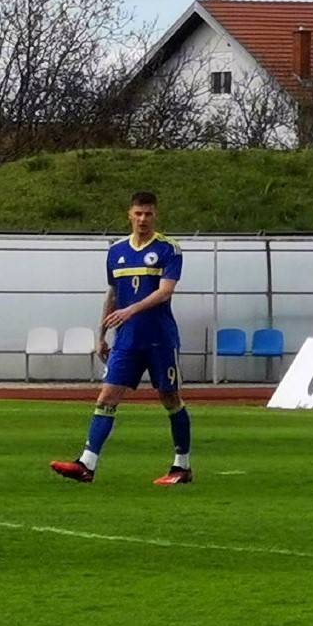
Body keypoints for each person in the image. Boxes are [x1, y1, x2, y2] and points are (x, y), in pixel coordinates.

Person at [50, 191, 192, 486]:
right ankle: (86, 464)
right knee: (106, 397)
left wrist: (130, 311)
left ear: (155, 215)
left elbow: (165, 291)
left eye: (148, 214)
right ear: (129, 214)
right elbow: (113, 292)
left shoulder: (169, 249)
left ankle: (182, 467)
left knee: (170, 399)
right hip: (126, 340)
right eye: (138, 214)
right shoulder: (116, 251)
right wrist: (101, 334)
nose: (143, 219)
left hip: (159, 338)